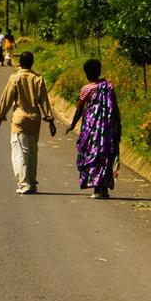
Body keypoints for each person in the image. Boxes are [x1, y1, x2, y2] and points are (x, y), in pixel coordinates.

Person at [0, 51, 56, 194]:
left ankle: (24, 184)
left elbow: (6, 99)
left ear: (20, 63)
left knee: (20, 151)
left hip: (19, 119)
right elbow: (44, 101)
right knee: (33, 151)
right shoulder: (38, 79)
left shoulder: (15, 78)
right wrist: (50, 121)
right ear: (32, 63)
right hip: (35, 118)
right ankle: (32, 182)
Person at [65, 58, 122, 199]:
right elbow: (114, 108)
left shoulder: (86, 89)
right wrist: (117, 126)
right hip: (108, 129)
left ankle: (97, 189)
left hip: (92, 131)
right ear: (99, 71)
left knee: (94, 156)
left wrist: (72, 125)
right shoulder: (109, 87)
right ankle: (104, 189)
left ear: (86, 73)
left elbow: (79, 109)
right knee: (106, 156)